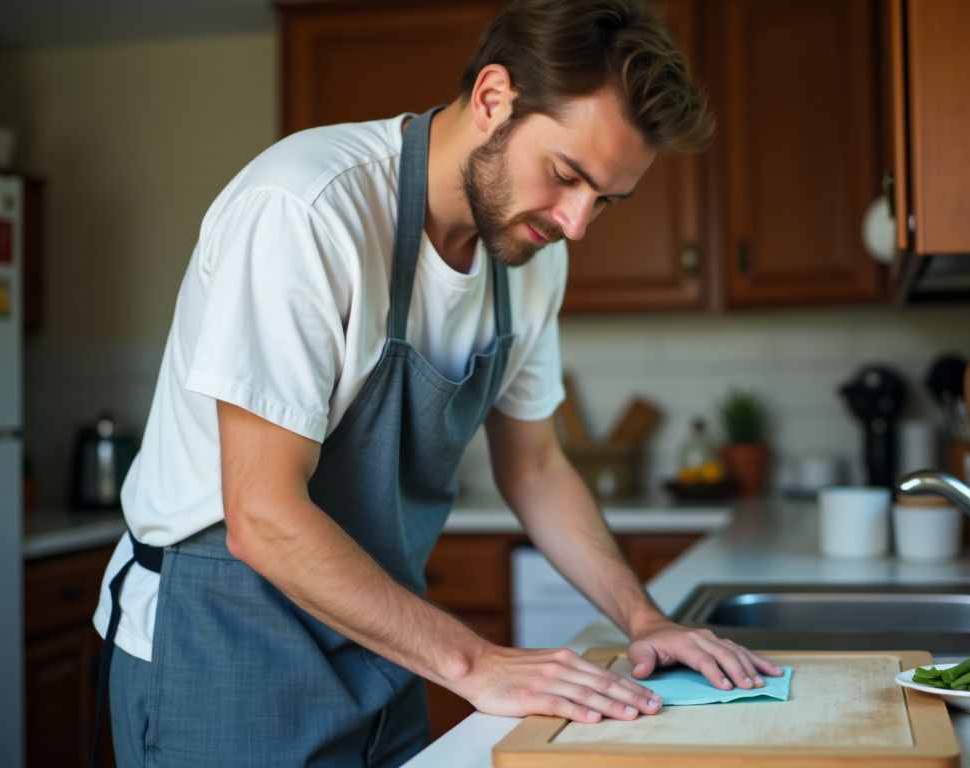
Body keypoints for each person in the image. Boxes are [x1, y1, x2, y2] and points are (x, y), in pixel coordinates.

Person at [91, 0, 781, 764]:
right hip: (220, 643)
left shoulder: (532, 259)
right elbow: (263, 513)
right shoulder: (307, 210)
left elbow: (539, 467)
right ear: (493, 98)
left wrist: (643, 618)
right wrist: (474, 663)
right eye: (566, 176)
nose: (578, 223)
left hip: (383, 640)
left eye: (606, 201)